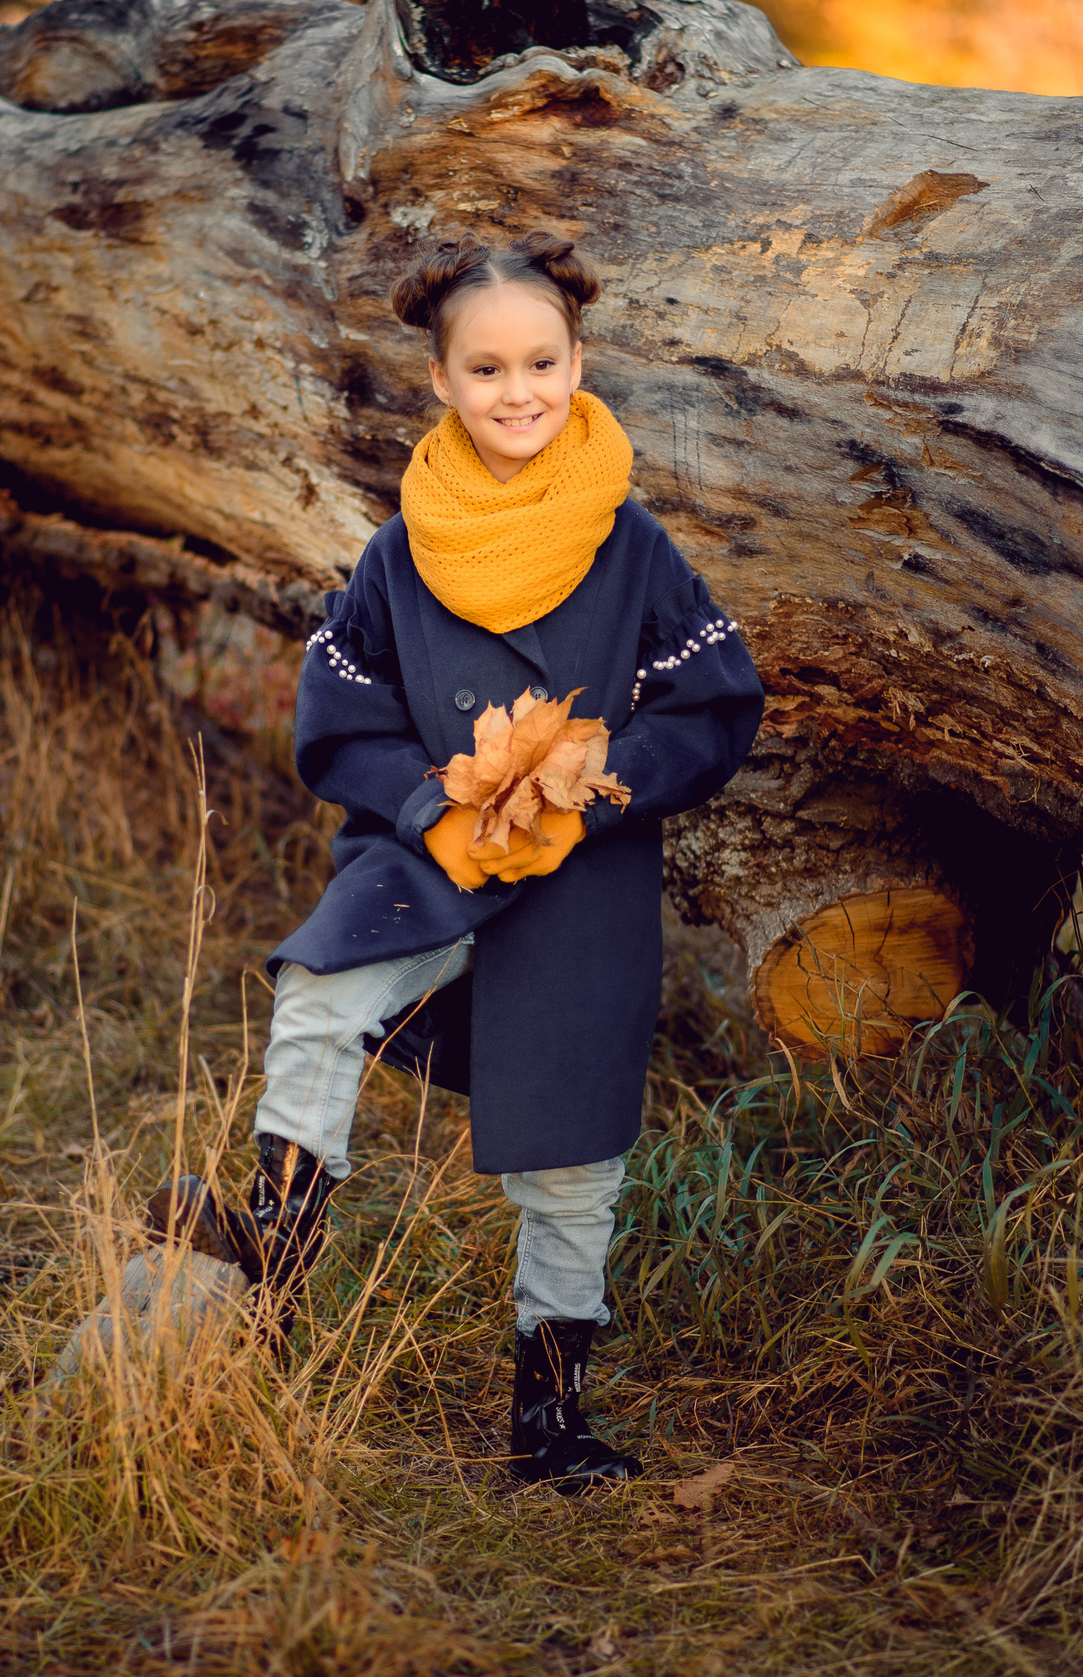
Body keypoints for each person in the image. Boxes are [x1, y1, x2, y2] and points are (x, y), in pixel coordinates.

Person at [230, 231, 761, 1491]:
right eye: (485, 369)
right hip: (432, 853)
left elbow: (715, 700)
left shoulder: (633, 545)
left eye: (540, 361)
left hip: (583, 868)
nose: (516, 391)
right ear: (440, 382)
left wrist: (603, 787)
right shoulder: (398, 549)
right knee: (315, 997)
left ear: (579, 361)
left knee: (574, 1148)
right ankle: (268, 1299)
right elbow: (335, 710)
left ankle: (552, 1415)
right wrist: (425, 805)